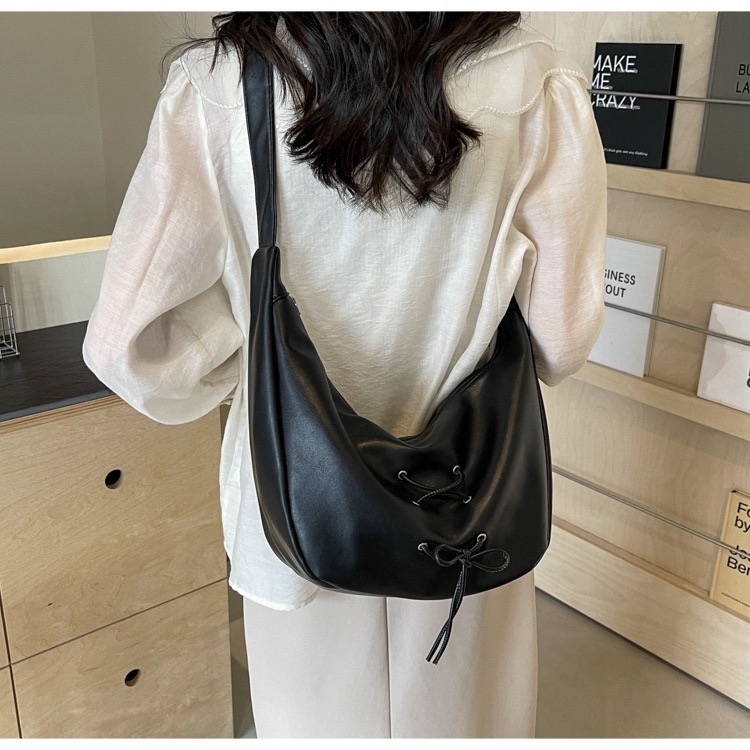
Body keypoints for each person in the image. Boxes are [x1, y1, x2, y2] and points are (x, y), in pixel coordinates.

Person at [82, 11, 606, 739]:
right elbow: (562, 338)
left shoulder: (220, 86)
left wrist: (255, 362)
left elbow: (129, 348)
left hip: (293, 522)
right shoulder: (537, 82)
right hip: (469, 514)